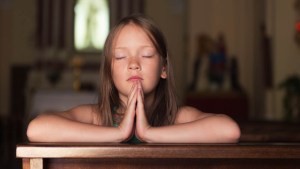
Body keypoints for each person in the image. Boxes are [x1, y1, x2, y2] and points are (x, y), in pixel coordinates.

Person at [27, 14, 240, 143]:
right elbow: (37, 128)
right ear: (110, 72)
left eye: (146, 54)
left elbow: (229, 130)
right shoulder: (97, 116)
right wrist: (118, 133)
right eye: (120, 56)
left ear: (163, 68)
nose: (133, 63)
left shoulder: (176, 117)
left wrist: (149, 134)